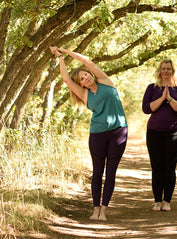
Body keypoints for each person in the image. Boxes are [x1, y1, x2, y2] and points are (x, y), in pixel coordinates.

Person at [49, 46, 128, 221]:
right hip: (97, 134)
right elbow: (66, 80)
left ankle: (104, 211)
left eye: (86, 74)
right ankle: (95, 209)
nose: (86, 77)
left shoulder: (105, 81)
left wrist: (65, 51)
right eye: (82, 78)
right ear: (81, 84)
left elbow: (87, 62)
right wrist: (60, 58)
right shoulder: (84, 94)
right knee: (98, 172)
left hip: (118, 132)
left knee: (111, 172)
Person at [142, 59, 177, 211]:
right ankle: (157, 201)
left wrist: (169, 98)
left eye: (168, 68)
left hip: (175, 132)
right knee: (156, 167)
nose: (166, 71)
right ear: (159, 71)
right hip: (154, 132)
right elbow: (146, 109)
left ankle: (167, 201)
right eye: (163, 68)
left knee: (170, 167)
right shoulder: (152, 88)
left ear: (173, 71)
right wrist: (162, 98)